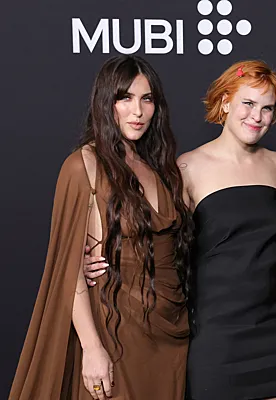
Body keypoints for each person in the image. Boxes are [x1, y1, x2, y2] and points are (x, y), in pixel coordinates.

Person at [10, 55, 192, 400]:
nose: (137, 111)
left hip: (171, 331)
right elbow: (69, 271)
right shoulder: (84, 166)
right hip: (116, 331)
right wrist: (92, 348)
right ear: (106, 102)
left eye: (147, 99)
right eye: (125, 98)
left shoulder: (159, 167)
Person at [177, 60, 276, 399]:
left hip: (275, 328)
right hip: (218, 333)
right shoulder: (188, 167)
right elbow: (168, 250)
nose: (256, 117)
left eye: (267, 108)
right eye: (248, 103)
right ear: (226, 102)